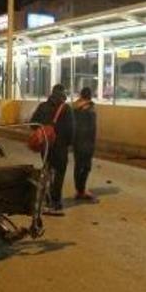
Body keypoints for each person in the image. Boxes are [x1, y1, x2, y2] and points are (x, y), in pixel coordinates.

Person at [31, 84, 74, 213]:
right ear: (62, 94)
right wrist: (69, 144)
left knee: (48, 171)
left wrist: (43, 131)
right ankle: (55, 202)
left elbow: (33, 123)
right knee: (59, 174)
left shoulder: (42, 106)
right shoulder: (66, 109)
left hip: (46, 145)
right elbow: (71, 130)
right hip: (60, 147)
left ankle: (46, 199)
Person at [72, 87, 97, 202]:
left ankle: (79, 189)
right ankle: (81, 191)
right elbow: (92, 129)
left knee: (78, 166)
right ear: (90, 96)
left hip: (77, 142)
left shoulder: (74, 107)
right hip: (87, 142)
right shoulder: (90, 109)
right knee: (86, 167)